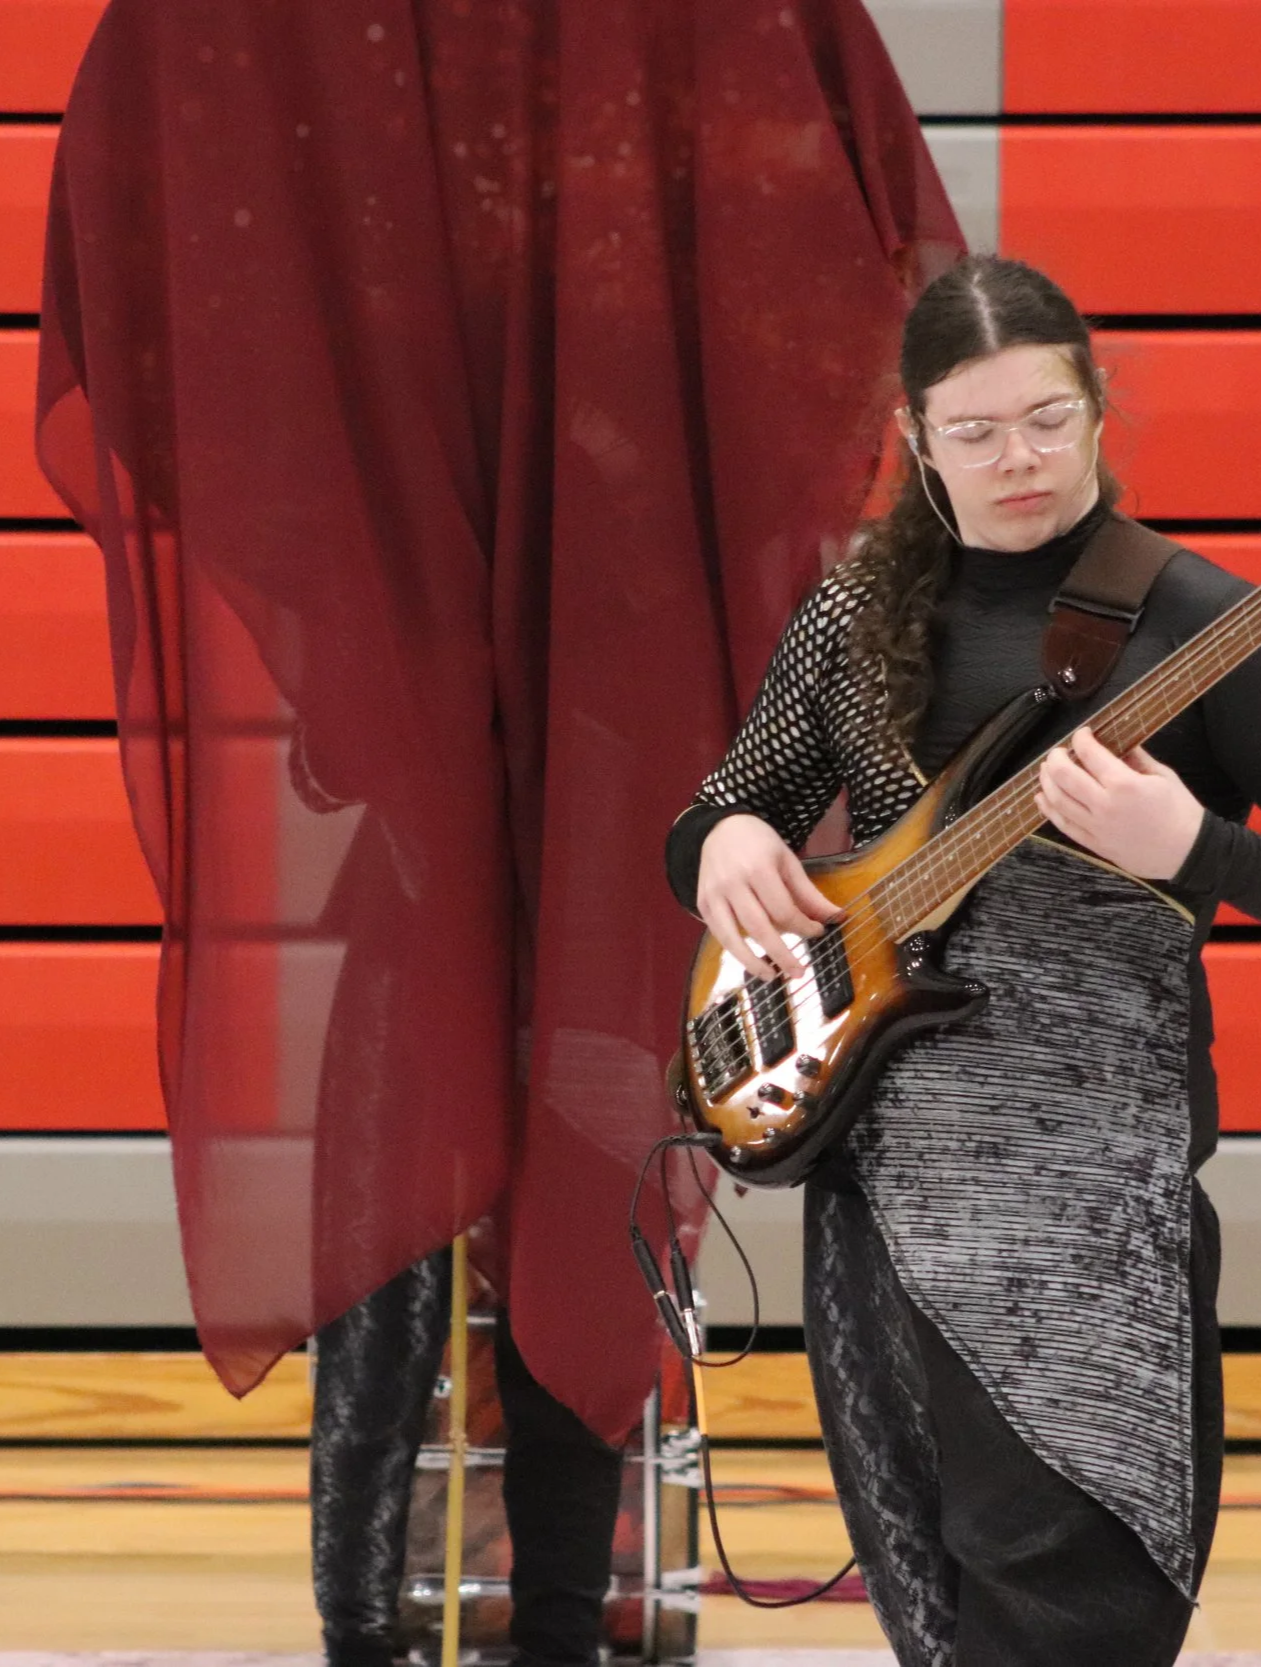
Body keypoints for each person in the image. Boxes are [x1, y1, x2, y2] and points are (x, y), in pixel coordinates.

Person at [35, 3, 960, 1661]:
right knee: (518, 1052)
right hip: (578, 596)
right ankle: (465, 1615)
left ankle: (466, 1613)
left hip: (538, 588)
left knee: (473, 1063)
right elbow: (858, 242)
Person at [663, 254, 1261, 1665]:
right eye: (974, 431)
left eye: (1047, 418)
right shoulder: (854, 619)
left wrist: (1196, 848)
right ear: (913, 439)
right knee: (935, 1622)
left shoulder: (1199, 624)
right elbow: (724, 813)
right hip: (875, 1206)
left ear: (1095, 408)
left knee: (1073, 1622)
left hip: (1094, 1227)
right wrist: (716, 843)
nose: (1017, 458)